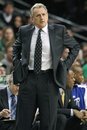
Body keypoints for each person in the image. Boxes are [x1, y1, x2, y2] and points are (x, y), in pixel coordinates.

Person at [13, 3, 80, 130]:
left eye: (44, 14)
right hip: (28, 79)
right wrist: (17, 63)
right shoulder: (24, 31)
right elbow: (16, 48)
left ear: (48, 15)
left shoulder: (59, 30)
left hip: (49, 80)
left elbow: (75, 47)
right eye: (38, 16)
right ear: (32, 19)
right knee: (23, 123)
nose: (42, 18)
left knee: (48, 124)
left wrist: (65, 65)